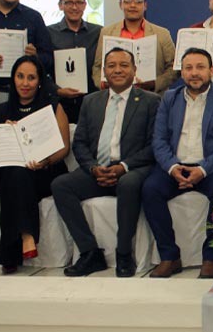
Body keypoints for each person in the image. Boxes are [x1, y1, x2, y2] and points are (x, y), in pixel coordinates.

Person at [51, 48, 160, 277]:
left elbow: (154, 145)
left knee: (128, 184)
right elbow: (80, 143)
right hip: (98, 170)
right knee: (60, 185)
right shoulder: (91, 101)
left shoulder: (151, 101)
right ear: (104, 71)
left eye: (124, 65)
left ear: (134, 70)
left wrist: (123, 167)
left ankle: (124, 254)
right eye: (111, 66)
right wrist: (93, 167)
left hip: (131, 169)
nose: (117, 70)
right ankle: (90, 252)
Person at [142, 47, 213, 279]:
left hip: (212, 166)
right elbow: (159, 140)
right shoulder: (169, 98)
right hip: (176, 166)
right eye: (188, 68)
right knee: (150, 189)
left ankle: (210, 257)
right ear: (182, 72)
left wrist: (203, 169)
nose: (194, 73)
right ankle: (169, 256)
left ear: (211, 70)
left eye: (200, 67)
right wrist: (172, 167)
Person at [0, 56, 70, 274]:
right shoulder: (0, 111)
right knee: (15, 172)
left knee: (15, 177)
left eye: (31, 77)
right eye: (20, 77)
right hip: (15, 172)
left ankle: (11, 251)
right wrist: (4, 133)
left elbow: (64, 147)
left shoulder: (52, 106)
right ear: (13, 79)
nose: (25, 83)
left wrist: (46, 161)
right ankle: (27, 237)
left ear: (40, 81)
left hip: (46, 170)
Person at [91, 0, 177, 95]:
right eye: (127, 1)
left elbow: (173, 68)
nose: (132, 5)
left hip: (152, 97)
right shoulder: (107, 32)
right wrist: (103, 84)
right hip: (116, 96)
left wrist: (155, 84)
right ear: (120, 5)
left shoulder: (162, 34)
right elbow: (97, 67)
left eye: (138, 2)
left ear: (145, 5)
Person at [48, 0, 103, 123]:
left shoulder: (99, 32)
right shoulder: (48, 33)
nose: (74, 7)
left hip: (93, 103)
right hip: (61, 104)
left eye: (79, 2)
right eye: (69, 3)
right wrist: (57, 90)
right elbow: (42, 70)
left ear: (85, 5)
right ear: (60, 5)